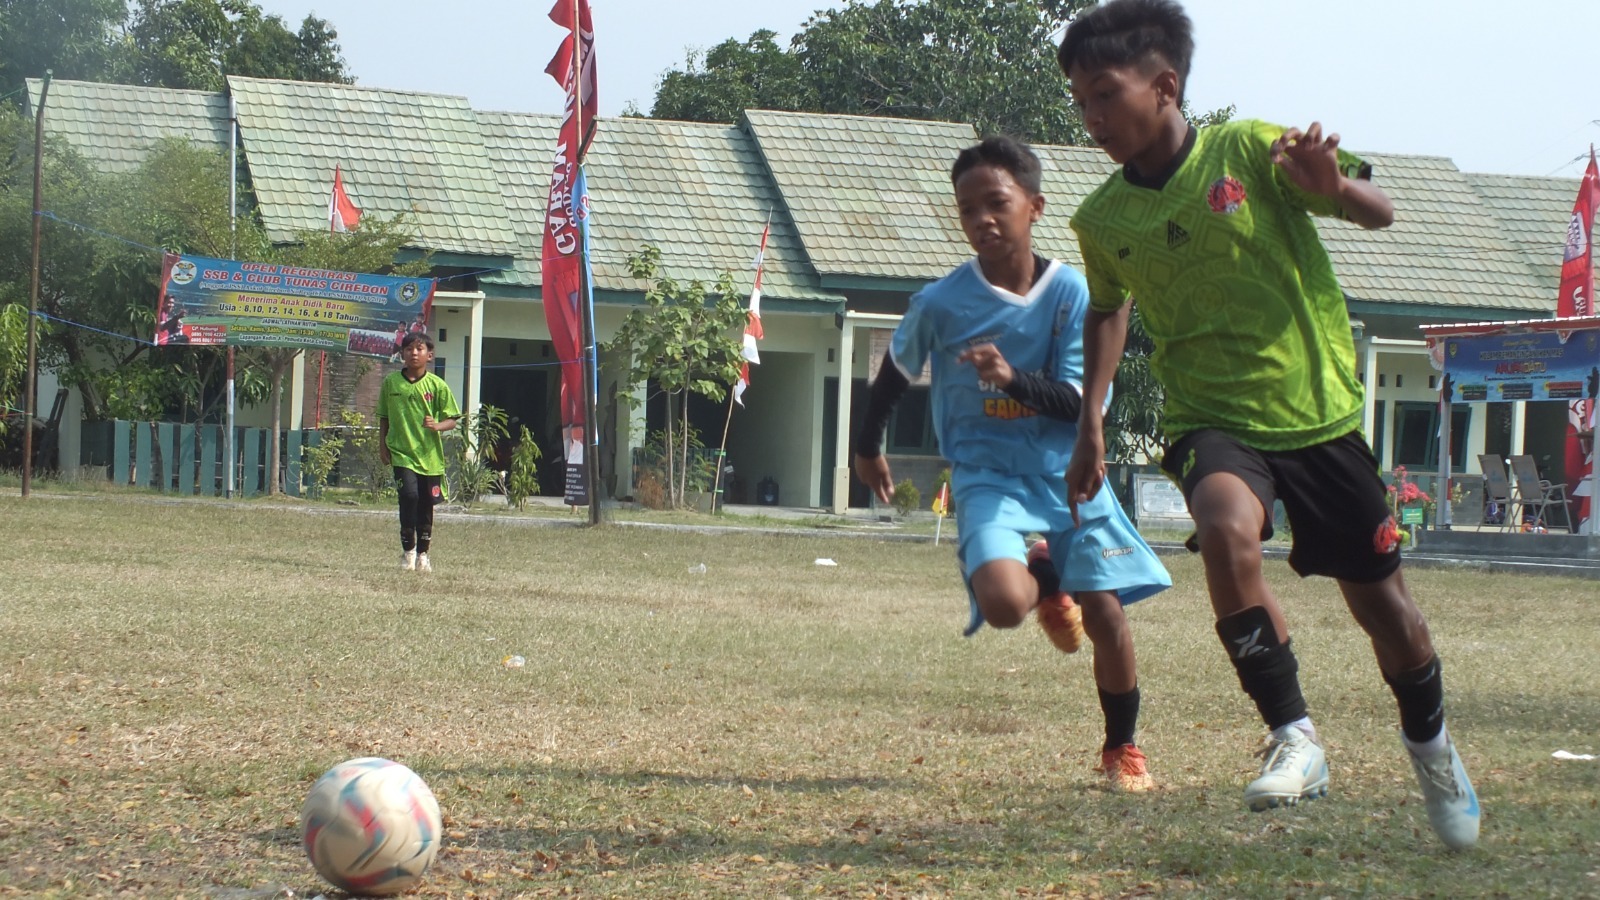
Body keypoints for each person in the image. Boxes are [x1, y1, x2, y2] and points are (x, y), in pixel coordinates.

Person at [1057, 0, 1478, 848]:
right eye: (1080, 102)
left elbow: (1379, 210)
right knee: (1221, 525)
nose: (1093, 118)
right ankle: (1295, 736)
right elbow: (1107, 310)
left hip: (1316, 417)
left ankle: (1431, 748)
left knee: (1387, 612)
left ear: (1166, 84)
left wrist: (1337, 189)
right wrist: (1091, 421)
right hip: (1209, 418)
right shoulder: (1101, 219)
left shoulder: (1252, 148)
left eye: (1106, 95)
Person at [853, 136, 1172, 792]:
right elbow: (895, 372)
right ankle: (1044, 579)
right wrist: (866, 445)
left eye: (996, 203)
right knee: (1001, 605)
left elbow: (1085, 405)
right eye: (967, 210)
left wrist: (1012, 379)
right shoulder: (942, 303)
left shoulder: (1073, 295)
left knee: (1107, 616)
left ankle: (1122, 747)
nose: (981, 220)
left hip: (1069, 472)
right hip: (987, 476)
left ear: (1035, 206)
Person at [377, 331, 459, 574]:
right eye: (409, 349)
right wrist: (382, 445)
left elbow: (452, 420)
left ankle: (423, 555)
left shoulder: (437, 385)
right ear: (401, 353)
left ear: (429, 355)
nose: (414, 353)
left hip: (429, 457)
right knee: (409, 496)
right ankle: (408, 552)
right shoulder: (391, 383)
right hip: (402, 453)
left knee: (425, 503)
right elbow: (383, 418)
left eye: (419, 349)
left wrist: (436, 425)